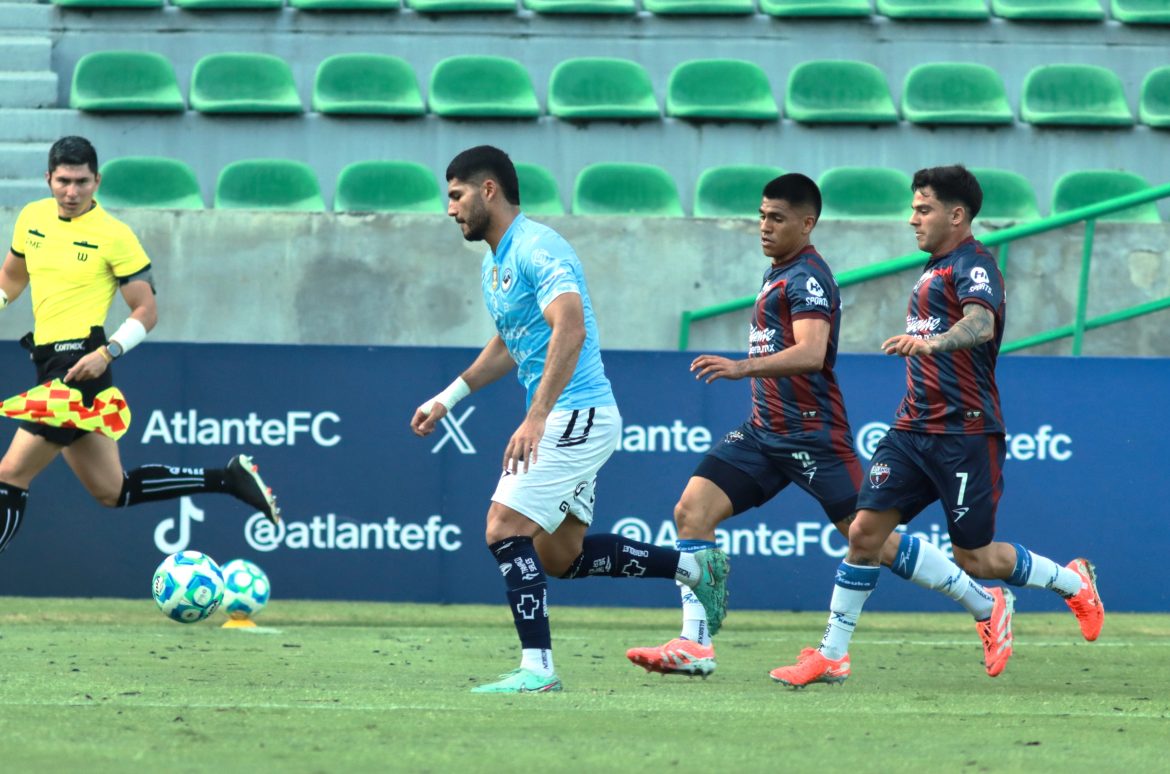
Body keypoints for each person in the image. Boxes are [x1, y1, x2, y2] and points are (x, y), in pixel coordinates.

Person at [625, 173, 1013, 678]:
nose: (764, 226)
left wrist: (741, 367)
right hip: (763, 431)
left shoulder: (808, 277)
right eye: (761, 216)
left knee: (871, 539)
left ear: (807, 224)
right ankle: (695, 643)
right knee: (691, 511)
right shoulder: (778, 272)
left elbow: (811, 352)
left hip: (811, 434)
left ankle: (982, 601)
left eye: (777, 218)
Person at [770, 164, 1103, 689]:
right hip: (910, 430)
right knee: (863, 534)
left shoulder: (974, 264)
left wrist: (934, 342)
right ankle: (832, 655)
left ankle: (1071, 582)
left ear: (956, 214)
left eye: (923, 209)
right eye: (913, 209)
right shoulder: (932, 269)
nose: (913, 219)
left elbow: (981, 323)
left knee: (977, 559)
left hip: (964, 432)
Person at [411, 145, 728, 694]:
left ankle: (537, 669)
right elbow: (510, 343)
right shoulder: (494, 264)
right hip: (571, 415)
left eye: (457, 195)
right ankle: (694, 570)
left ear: (489, 190)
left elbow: (571, 327)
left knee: (503, 528)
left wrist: (537, 416)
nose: (450, 208)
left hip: (575, 412)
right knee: (562, 557)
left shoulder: (539, 247)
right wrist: (449, 396)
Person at [0, 136, 280, 557]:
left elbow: (146, 310)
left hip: (80, 366)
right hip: (48, 362)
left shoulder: (115, 236)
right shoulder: (31, 217)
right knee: (112, 490)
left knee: (9, 473)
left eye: (81, 182)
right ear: (48, 179)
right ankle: (227, 479)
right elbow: (12, 278)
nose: (72, 192)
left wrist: (108, 353)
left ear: (97, 181)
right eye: (63, 181)